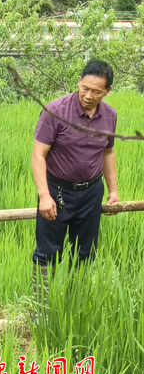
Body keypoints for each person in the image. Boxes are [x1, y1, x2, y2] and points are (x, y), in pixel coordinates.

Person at [31, 59, 119, 311]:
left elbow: (108, 152)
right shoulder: (55, 111)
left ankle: (74, 308)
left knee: (84, 252)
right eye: (85, 88)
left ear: (108, 91)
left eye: (96, 92)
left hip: (91, 192)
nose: (88, 96)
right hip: (57, 191)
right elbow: (38, 155)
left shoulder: (110, 116)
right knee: (48, 252)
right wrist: (44, 196)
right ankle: (42, 310)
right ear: (79, 82)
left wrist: (113, 190)